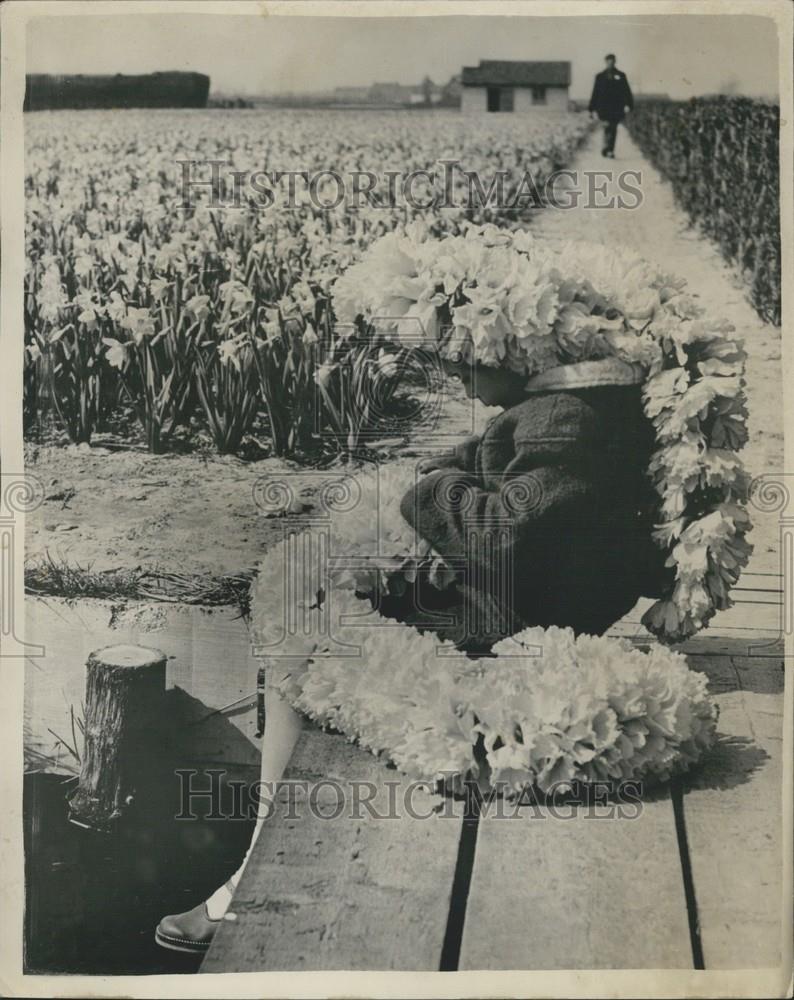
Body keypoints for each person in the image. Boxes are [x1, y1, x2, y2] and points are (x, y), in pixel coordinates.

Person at [588, 53, 634, 158]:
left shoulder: (621, 75)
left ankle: (609, 149)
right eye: (608, 61)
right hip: (603, 107)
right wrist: (591, 108)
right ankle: (606, 147)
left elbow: (626, 91)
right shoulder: (599, 76)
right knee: (606, 126)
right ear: (606, 62)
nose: (610, 63)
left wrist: (629, 104)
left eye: (612, 61)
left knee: (613, 127)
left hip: (616, 107)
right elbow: (595, 92)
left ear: (615, 62)